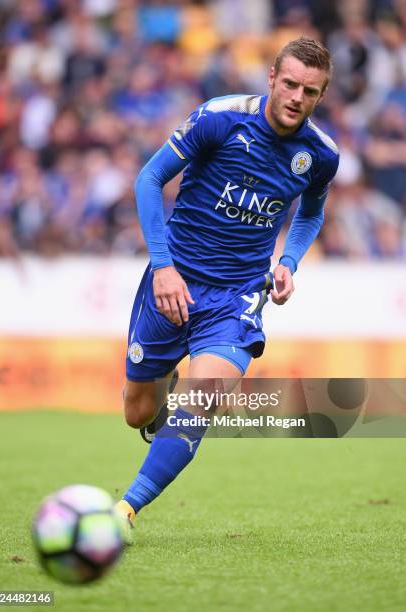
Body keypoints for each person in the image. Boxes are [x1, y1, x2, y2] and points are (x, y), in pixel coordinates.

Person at [116, 37, 339, 530]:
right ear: (271, 80)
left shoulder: (320, 154)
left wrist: (290, 261)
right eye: (290, 84)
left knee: (203, 400)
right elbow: (148, 181)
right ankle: (162, 388)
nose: (297, 98)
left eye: (310, 91)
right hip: (173, 281)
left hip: (236, 296)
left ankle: (124, 509)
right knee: (137, 414)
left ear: (321, 96)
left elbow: (311, 213)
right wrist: (162, 267)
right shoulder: (219, 117)